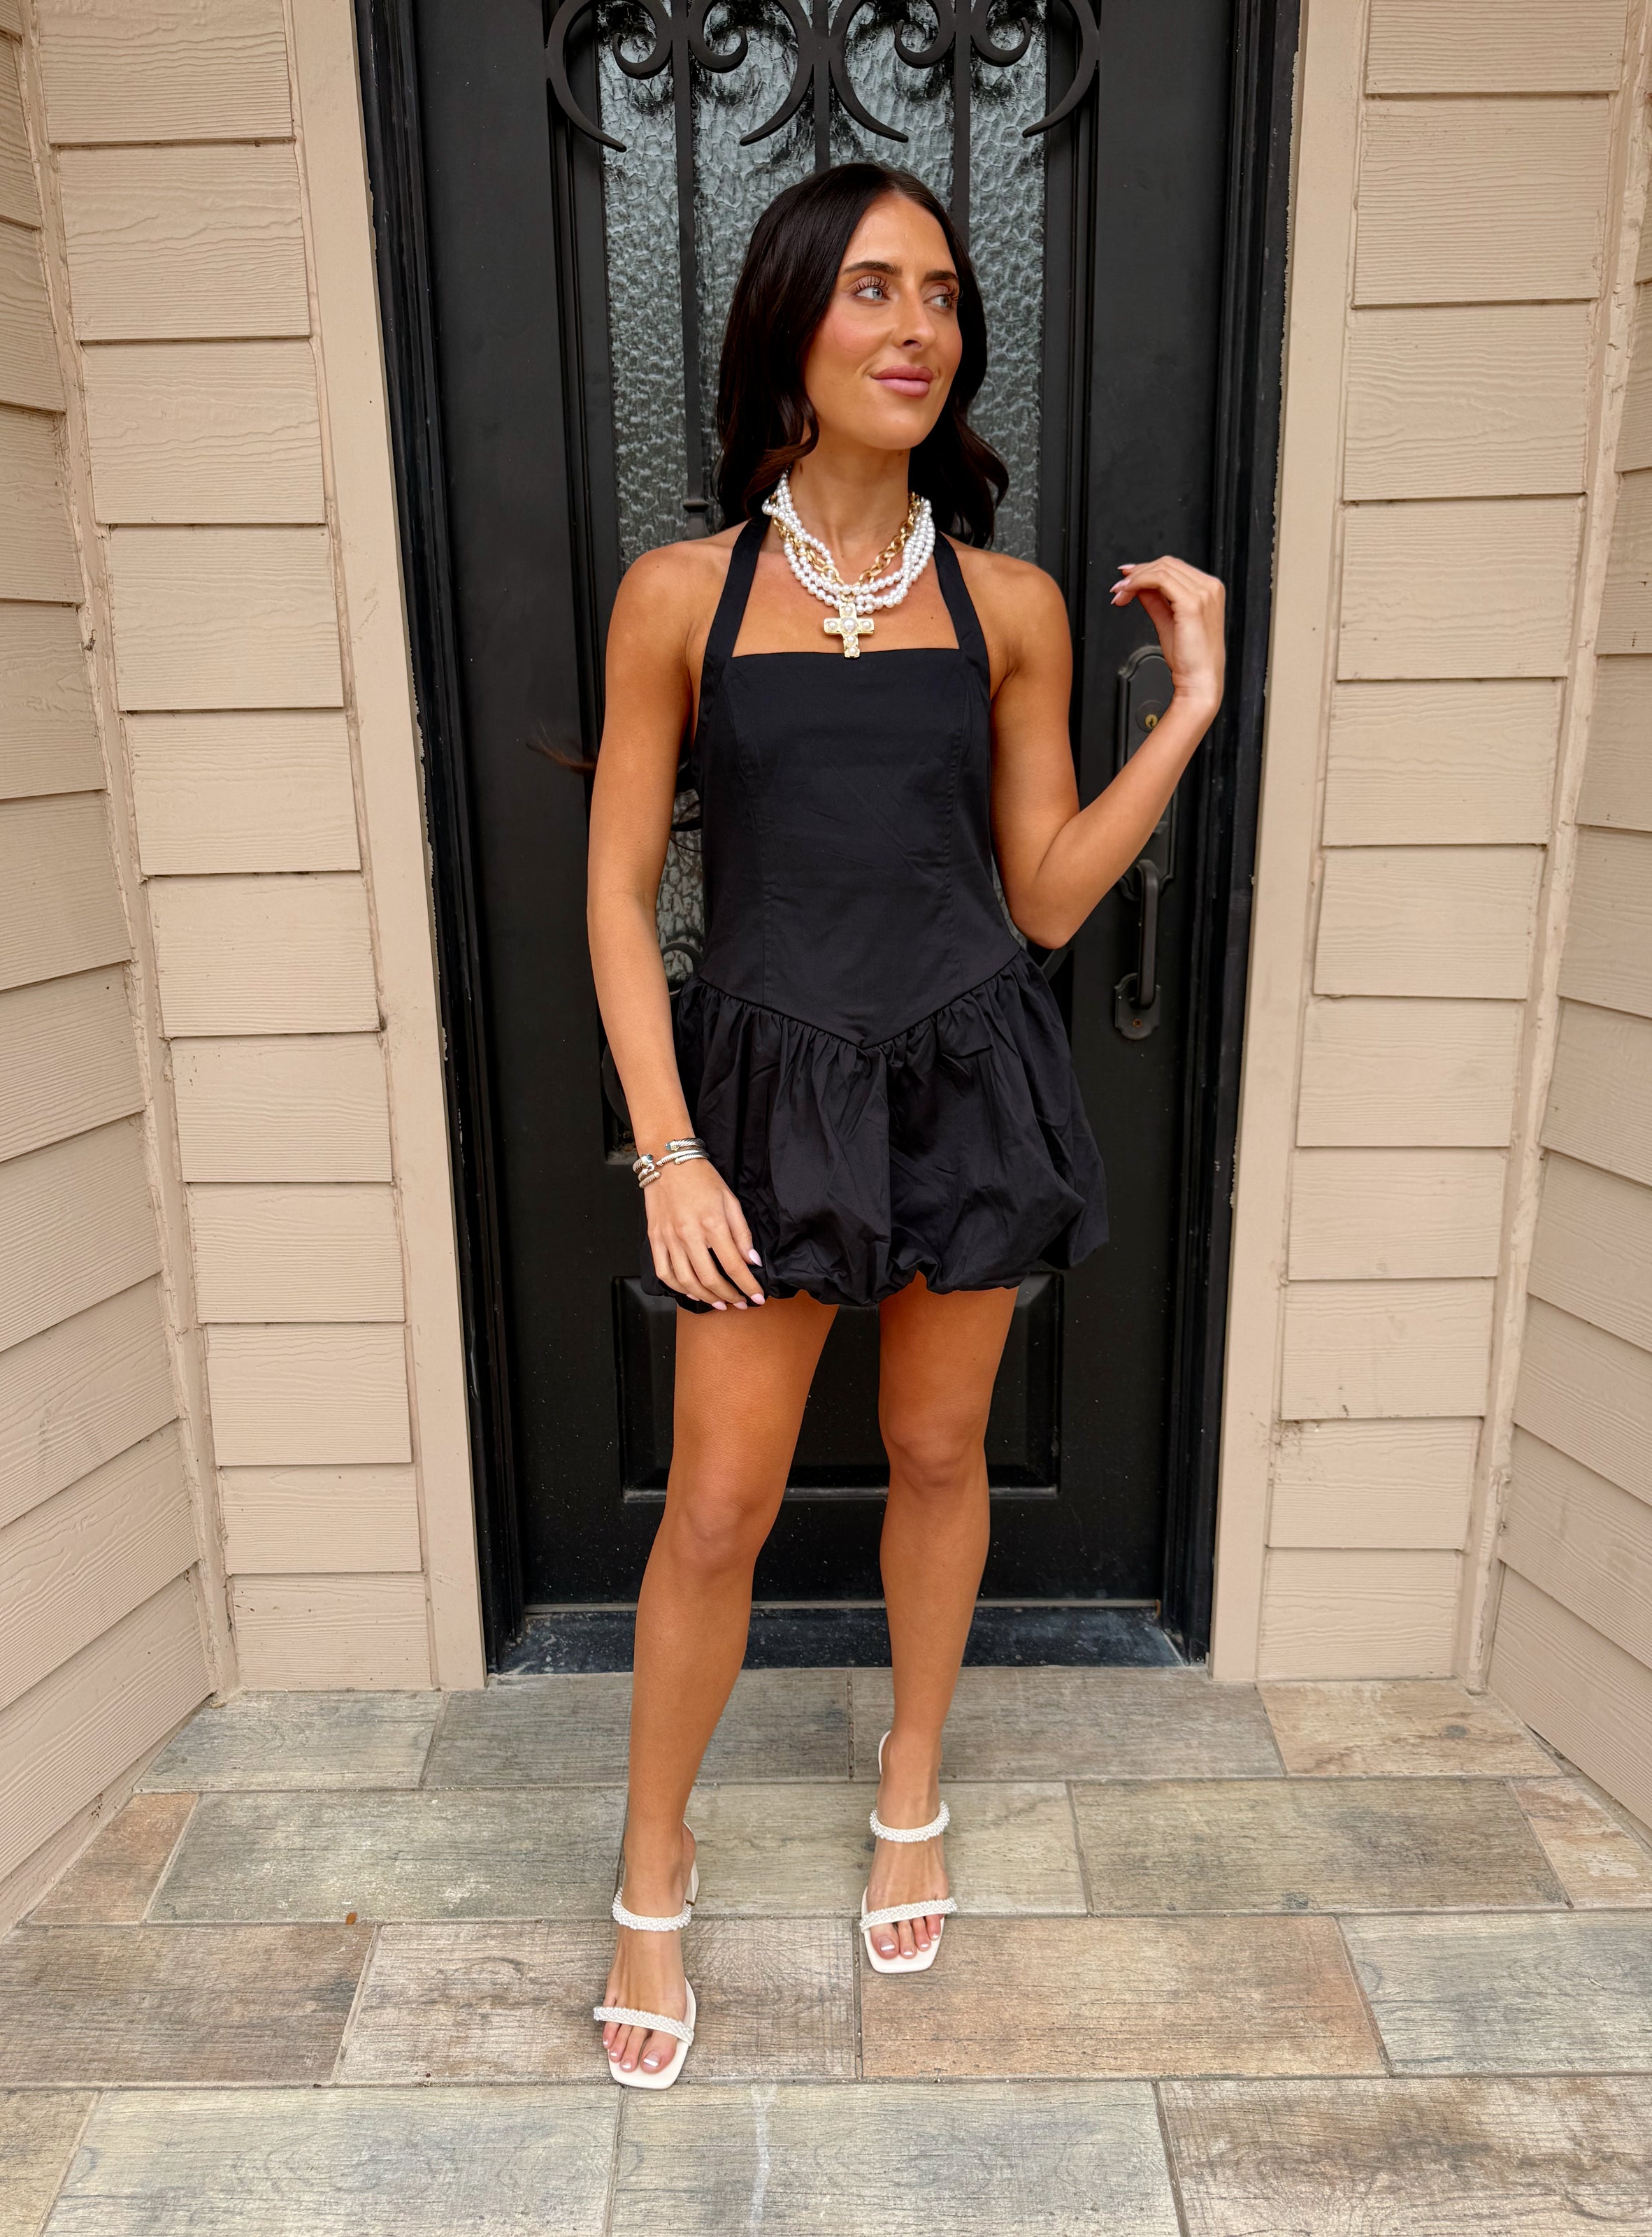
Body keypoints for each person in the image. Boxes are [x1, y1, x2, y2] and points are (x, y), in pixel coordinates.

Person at [586, 161, 1224, 2087]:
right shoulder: (681, 596)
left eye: (941, 293)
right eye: (872, 288)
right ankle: (653, 1856)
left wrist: (1185, 716)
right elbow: (619, 890)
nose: (916, 326)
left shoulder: (1008, 605)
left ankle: (914, 1775)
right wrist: (669, 1146)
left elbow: (1044, 898)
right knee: (717, 1508)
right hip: (762, 1097)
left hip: (965, 1077)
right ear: (792, 322)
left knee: (941, 1453)